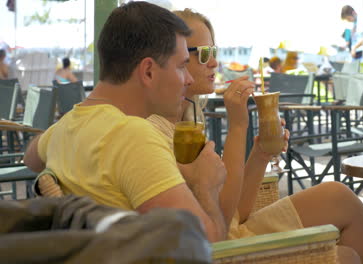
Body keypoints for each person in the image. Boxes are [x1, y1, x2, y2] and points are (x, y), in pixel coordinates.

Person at [147, 8, 363, 264]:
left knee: (339, 196)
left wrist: (260, 155)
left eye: (214, 51)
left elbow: (238, 212)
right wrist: (238, 126)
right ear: (172, 58)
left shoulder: (191, 113)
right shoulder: (159, 131)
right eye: (203, 54)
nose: (214, 62)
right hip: (221, 247)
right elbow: (223, 221)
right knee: (345, 256)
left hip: (231, 232)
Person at [24, 2, 227, 242]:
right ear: (148, 71)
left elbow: (30, 158)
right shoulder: (134, 137)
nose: (189, 78)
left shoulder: (67, 125)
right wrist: (205, 186)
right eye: (182, 66)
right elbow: (208, 247)